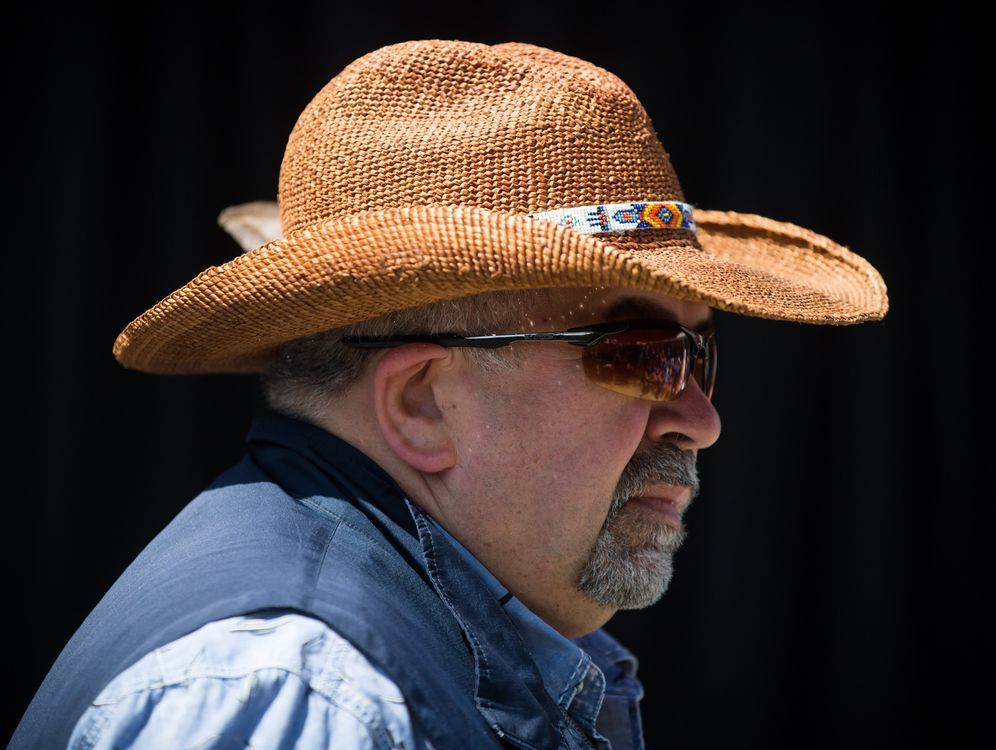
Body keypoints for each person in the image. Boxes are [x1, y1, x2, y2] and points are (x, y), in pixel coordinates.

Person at [10, 39, 888, 749]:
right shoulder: (308, 695)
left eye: (699, 357)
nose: (702, 419)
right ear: (421, 402)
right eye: (645, 355)